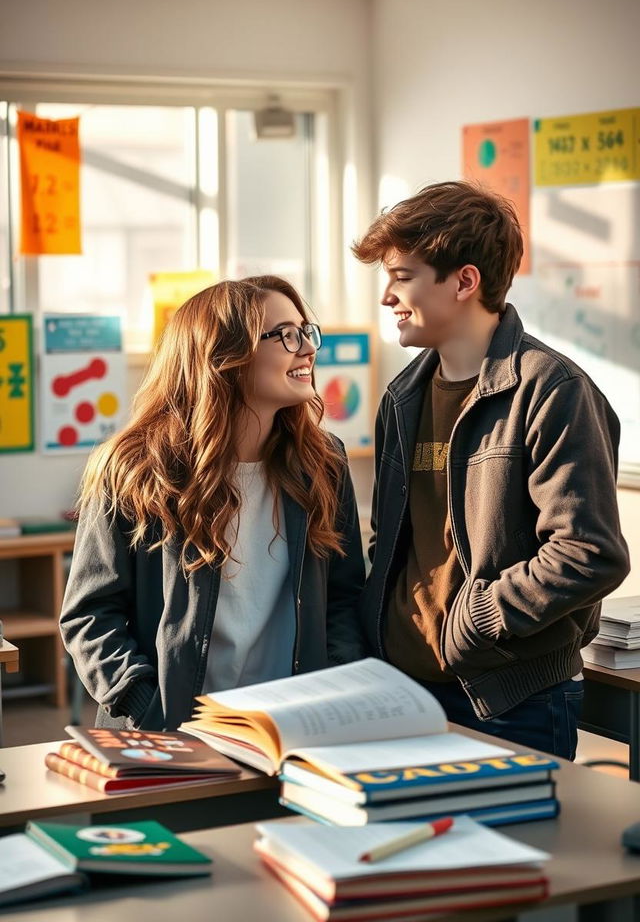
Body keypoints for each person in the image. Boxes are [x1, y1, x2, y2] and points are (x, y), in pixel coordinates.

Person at [352, 181, 630, 759]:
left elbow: (588, 552)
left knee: (513, 851)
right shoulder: (402, 395)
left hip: (507, 701)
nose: (387, 297)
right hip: (398, 690)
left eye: (402, 276)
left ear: (464, 280)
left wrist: (475, 622)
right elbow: (390, 541)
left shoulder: (553, 391)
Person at [60, 275, 366, 731]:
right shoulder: (135, 466)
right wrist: (147, 706)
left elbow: (343, 597)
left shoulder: (323, 462)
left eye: (307, 332)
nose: (308, 349)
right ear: (224, 357)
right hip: (169, 735)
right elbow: (91, 614)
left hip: (289, 728)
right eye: (286, 335)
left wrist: (334, 692)